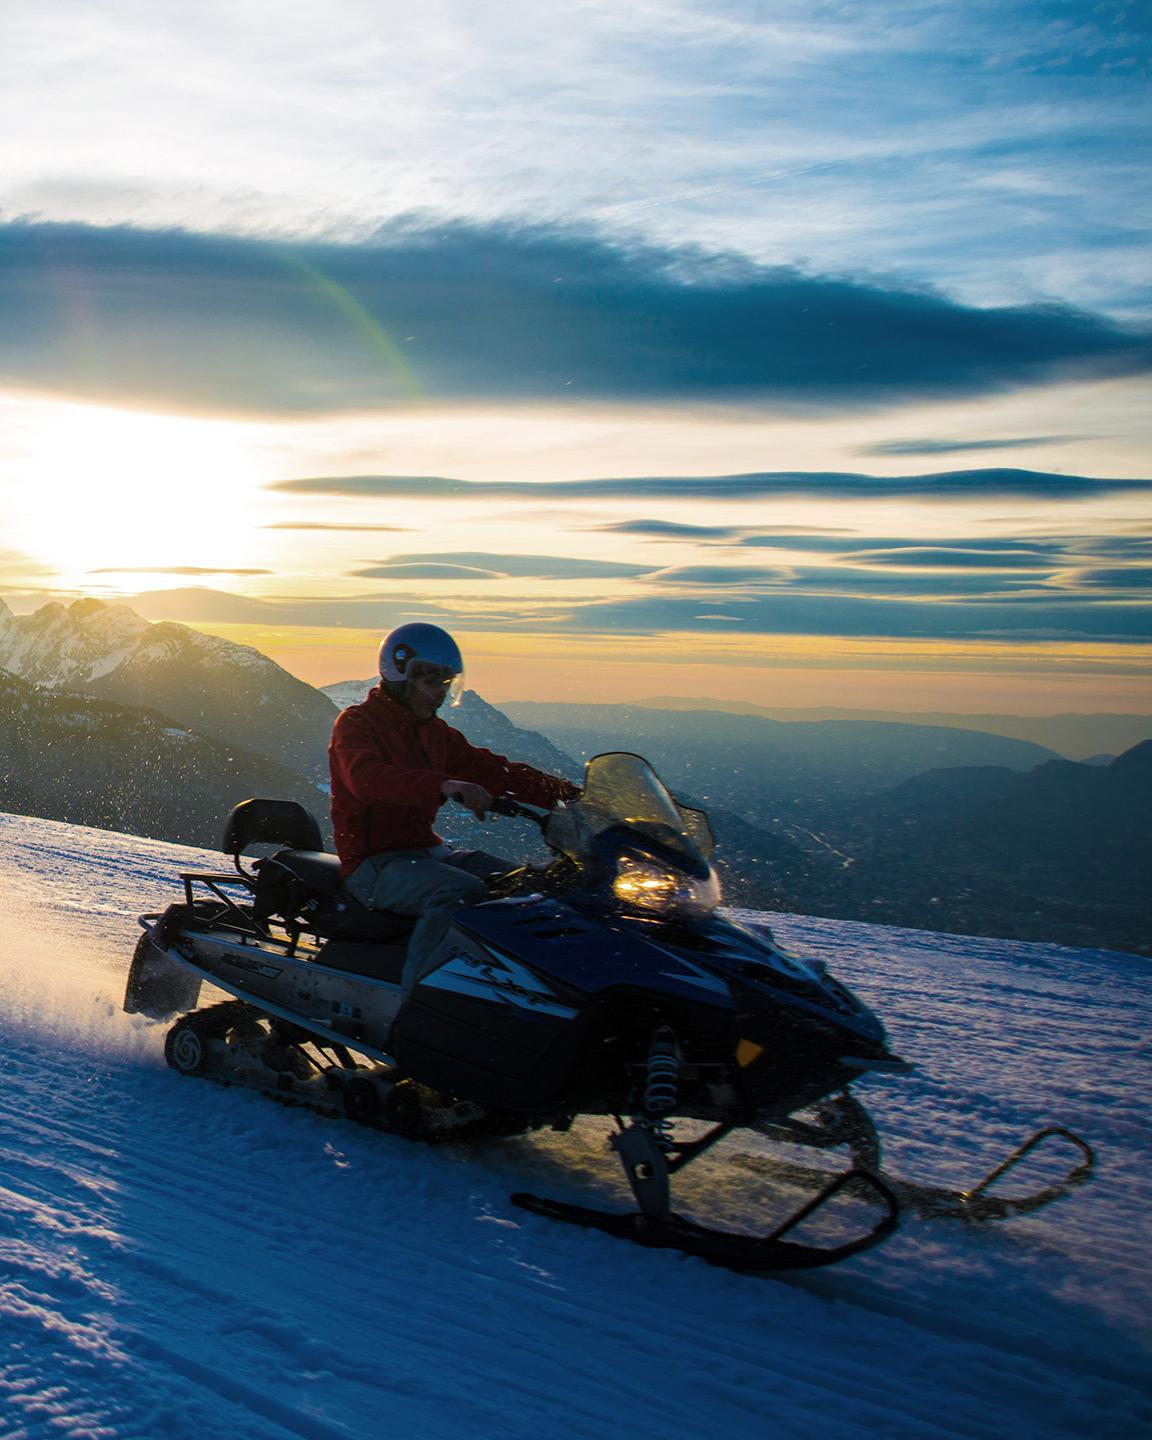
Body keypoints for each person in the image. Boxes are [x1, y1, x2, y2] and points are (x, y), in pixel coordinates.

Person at [328, 622, 579, 991]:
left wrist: (573, 795)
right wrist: (442, 784)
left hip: (428, 852)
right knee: (460, 893)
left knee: (527, 887)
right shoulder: (357, 724)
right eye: (432, 682)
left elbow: (496, 771)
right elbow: (366, 779)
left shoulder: (435, 733)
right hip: (373, 865)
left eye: (446, 684)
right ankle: (420, 1002)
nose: (440, 694)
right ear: (399, 674)